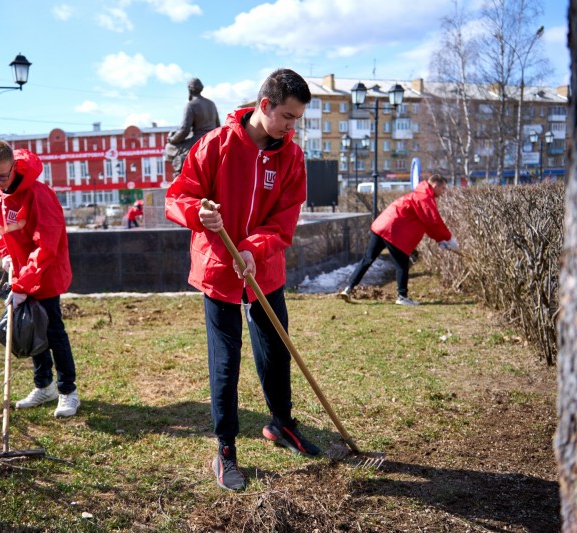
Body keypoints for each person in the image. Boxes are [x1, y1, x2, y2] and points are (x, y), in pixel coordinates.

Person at [165, 68, 319, 492]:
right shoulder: (214, 145)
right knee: (226, 362)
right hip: (219, 269)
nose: (292, 127)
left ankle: (281, 425)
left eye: (297, 119)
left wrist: (254, 248)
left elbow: (284, 219)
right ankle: (226, 449)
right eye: (288, 116)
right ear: (265, 105)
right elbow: (178, 198)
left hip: (263, 268)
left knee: (275, 350)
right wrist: (198, 213)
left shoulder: (292, 157)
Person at [0, 140, 80, 418]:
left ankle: (68, 392)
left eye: (2, 176)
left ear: (14, 166)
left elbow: (47, 246)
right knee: (30, 329)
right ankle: (44, 386)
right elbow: (2, 229)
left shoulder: (39, 195)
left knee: (52, 331)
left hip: (45, 271)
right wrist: (5, 253)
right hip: (22, 270)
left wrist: (24, 284)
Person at [339, 174, 459, 306]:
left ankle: (348, 288)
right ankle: (402, 296)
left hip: (381, 227)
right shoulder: (425, 197)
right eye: (443, 188)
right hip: (393, 232)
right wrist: (448, 238)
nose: (444, 192)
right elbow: (433, 220)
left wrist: (439, 239)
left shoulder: (419, 194)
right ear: (435, 186)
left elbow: (426, 223)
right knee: (402, 264)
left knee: (367, 259)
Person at [164, 78, 221, 177]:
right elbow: (218, 126)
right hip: (214, 141)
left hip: (199, 142)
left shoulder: (190, 105)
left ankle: (184, 163)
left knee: (169, 147)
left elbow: (184, 130)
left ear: (190, 90)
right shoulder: (211, 104)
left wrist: (172, 139)